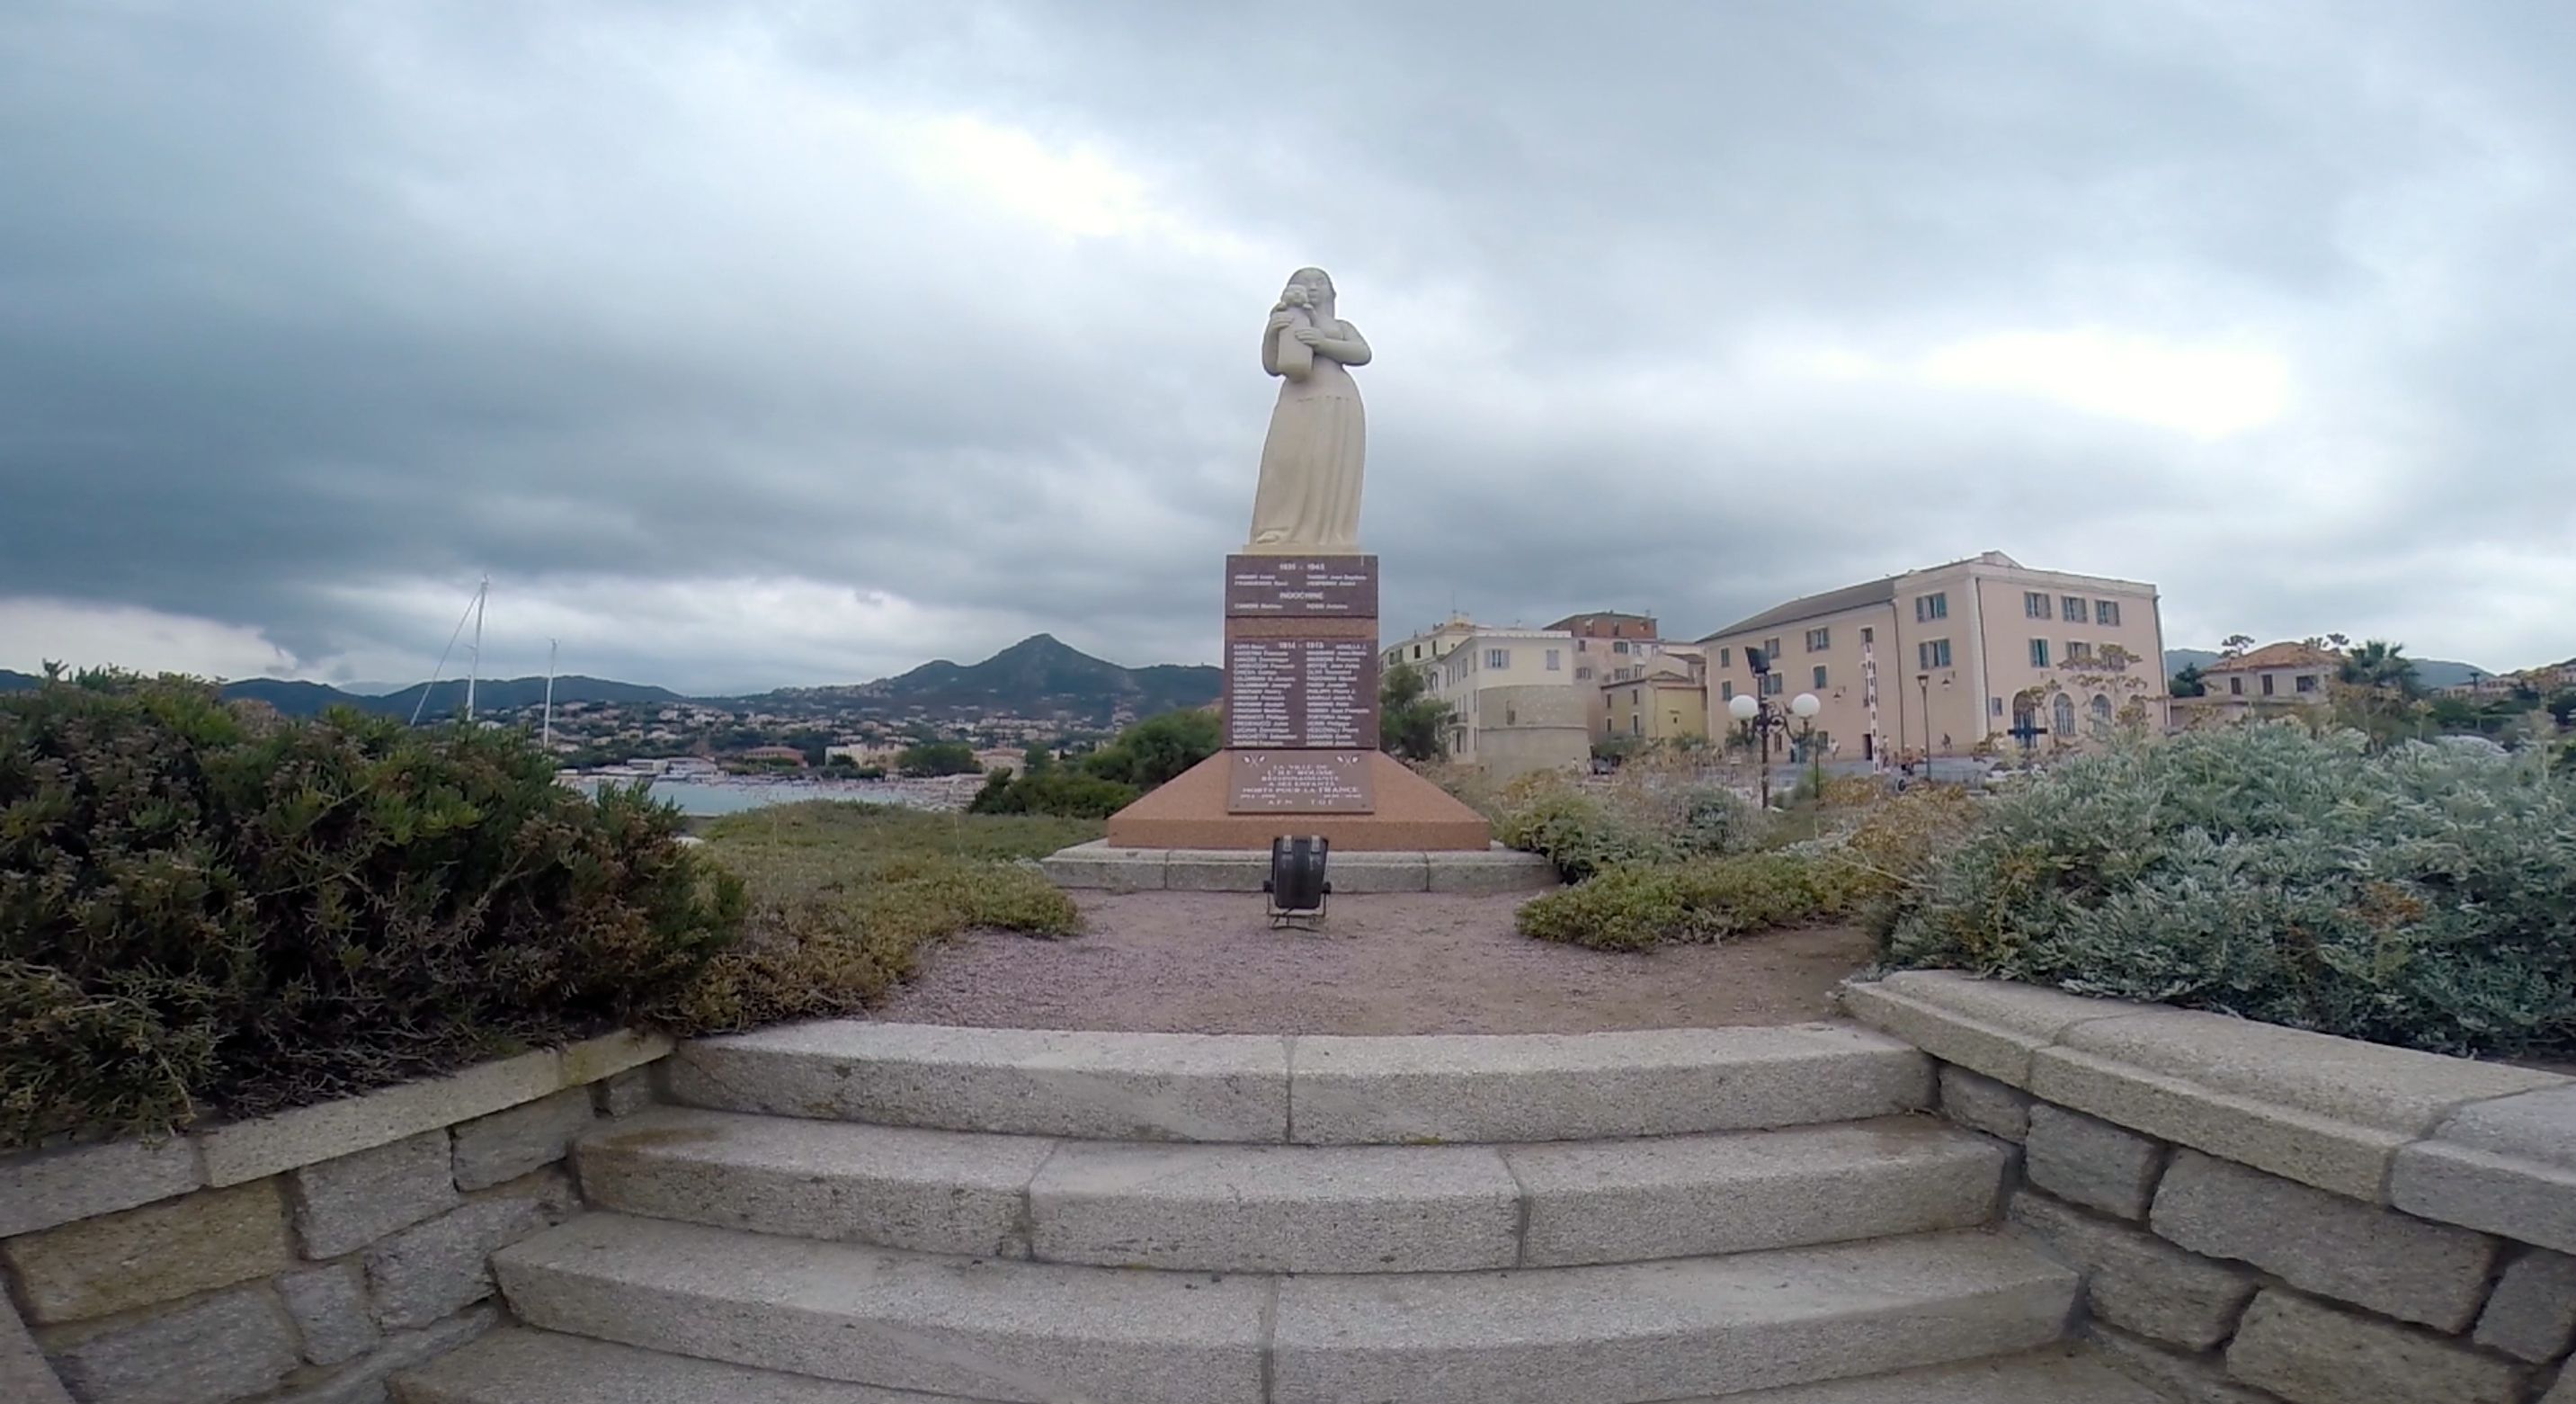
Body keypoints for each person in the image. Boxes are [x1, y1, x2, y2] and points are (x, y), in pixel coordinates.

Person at [1248, 268, 1372, 550]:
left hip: (1336, 401)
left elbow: (1363, 353)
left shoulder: (1341, 326)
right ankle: (1279, 530)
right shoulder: (1287, 319)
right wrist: (1271, 333)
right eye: (1304, 282)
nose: (1313, 287)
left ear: (1332, 291)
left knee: (1323, 466)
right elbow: (1272, 366)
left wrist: (1322, 342)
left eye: (1320, 282)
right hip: (1295, 399)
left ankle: (1326, 536)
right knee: (1284, 464)